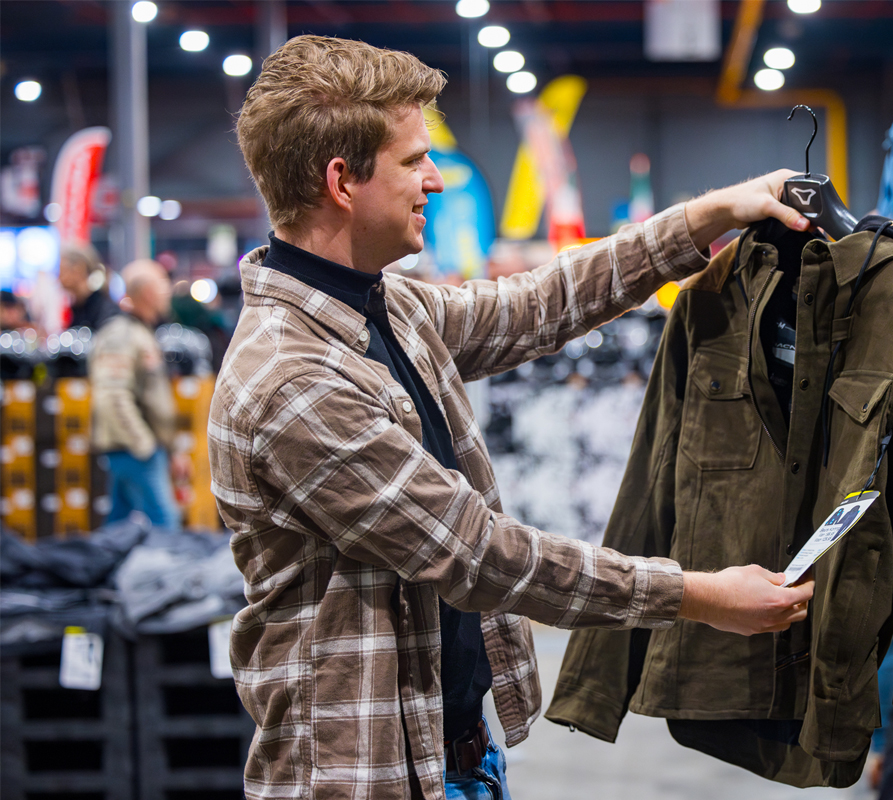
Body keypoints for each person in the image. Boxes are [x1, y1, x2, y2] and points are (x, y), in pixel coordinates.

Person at [213, 34, 815, 800]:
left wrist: (706, 217)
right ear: (341, 180)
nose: (433, 180)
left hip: (450, 756)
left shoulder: (385, 306)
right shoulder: (293, 380)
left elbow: (533, 306)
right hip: (364, 780)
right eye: (412, 161)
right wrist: (697, 596)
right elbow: (480, 555)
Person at [90, 259, 188, 529]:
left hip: (139, 449)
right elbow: (112, 396)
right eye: (162, 285)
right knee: (166, 523)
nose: (168, 292)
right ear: (147, 292)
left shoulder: (140, 333)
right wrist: (144, 446)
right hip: (134, 451)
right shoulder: (120, 335)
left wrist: (172, 450)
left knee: (117, 528)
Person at [58, 243, 120, 331]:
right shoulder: (78, 306)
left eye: (61, 270)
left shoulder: (103, 310)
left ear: (78, 268)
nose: (58, 278)